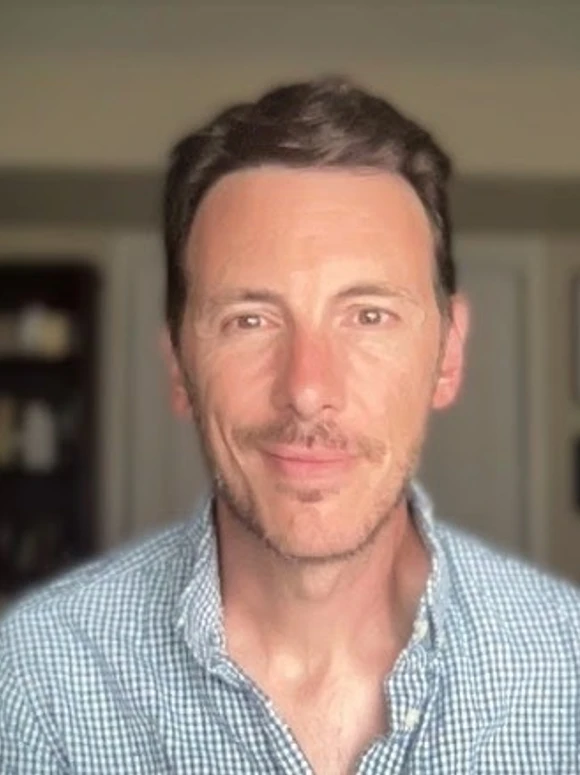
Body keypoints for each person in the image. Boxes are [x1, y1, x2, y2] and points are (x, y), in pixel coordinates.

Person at [1, 76, 579, 775]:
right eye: (250, 320)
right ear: (180, 364)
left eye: (369, 315)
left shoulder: (567, 668)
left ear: (448, 355)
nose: (307, 389)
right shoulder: (37, 680)